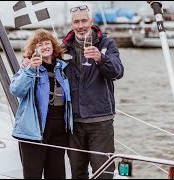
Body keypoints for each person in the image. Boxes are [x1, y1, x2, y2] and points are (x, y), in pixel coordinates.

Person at [62, 4, 124, 179]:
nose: (80, 25)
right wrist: (28, 64)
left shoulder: (106, 43)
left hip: (100, 121)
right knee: (77, 171)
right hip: (74, 122)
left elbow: (118, 72)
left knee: (103, 173)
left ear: (91, 21)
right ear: (71, 24)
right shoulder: (64, 47)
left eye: (84, 21)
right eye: (76, 22)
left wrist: (100, 58)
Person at [9, 28, 73, 179]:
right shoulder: (28, 68)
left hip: (58, 132)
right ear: (34, 50)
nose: (44, 47)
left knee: (57, 175)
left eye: (47, 43)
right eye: (39, 45)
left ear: (53, 45)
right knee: (33, 175)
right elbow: (16, 90)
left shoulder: (62, 68)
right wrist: (30, 69)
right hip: (34, 131)